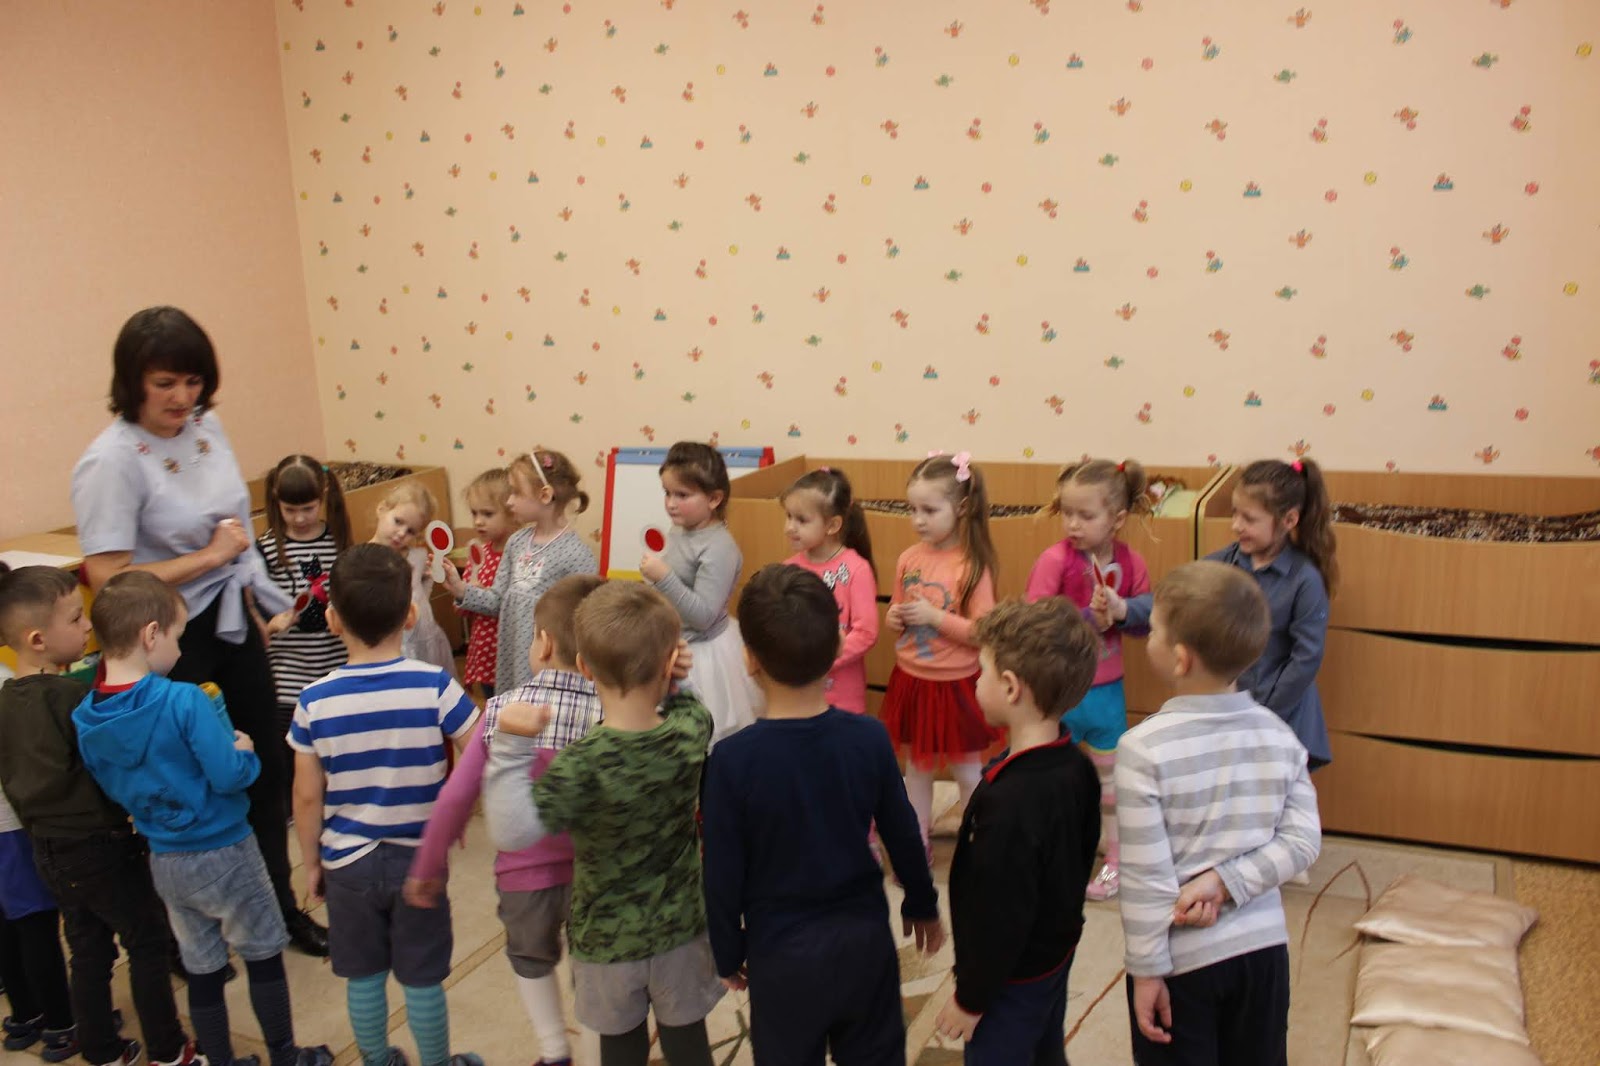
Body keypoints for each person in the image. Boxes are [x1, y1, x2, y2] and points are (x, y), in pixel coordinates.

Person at [69, 306, 326, 956]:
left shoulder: (206, 427)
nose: (182, 398)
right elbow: (107, 577)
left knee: (260, 765)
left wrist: (247, 598)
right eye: (165, 383)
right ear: (132, 382)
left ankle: (276, 908)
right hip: (157, 639)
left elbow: (235, 528)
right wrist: (210, 558)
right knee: (183, 778)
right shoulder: (111, 460)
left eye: (193, 381)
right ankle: (186, 934)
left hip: (227, 617)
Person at [72, 573, 332, 1066]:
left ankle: (221, 1059)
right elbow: (230, 776)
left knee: (203, 966)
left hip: (165, 860)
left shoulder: (87, 715)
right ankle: (285, 1054)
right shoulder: (184, 699)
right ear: (151, 634)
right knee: (262, 954)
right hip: (227, 849)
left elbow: (111, 786)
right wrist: (246, 753)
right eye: (178, 635)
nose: (180, 648)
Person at [702, 564, 944, 1065]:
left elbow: (721, 871)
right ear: (837, 648)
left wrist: (727, 950)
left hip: (781, 956)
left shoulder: (730, 761)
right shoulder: (868, 737)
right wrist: (922, 903)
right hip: (865, 945)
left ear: (749, 660)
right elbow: (903, 833)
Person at [487, 581, 724, 1066]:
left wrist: (510, 748)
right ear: (668, 664)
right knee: (689, 1048)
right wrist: (675, 678)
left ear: (584, 667)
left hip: (606, 943)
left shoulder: (580, 764)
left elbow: (511, 832)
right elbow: (689, 704)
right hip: (681, 930)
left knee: (619, 1051)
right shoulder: (690, 729)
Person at [1117, 561, 1321, 1065]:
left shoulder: (1141, 749)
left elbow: (1145, 877)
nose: (1147, 638)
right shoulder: (1280, 734)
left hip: (1182, 963)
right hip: (1264, 955)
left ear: (1180, 659)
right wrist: (1225, 882)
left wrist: (1146, 970)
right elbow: (1302, 841)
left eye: (1153, 630)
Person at [290, 545, 483, 1066]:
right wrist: (456, 812)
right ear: (411, 614)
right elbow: (479, 751)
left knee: (363, 975)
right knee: (422, 977)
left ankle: (377, 1059)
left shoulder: (314, 701)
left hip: (347, 863)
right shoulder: (435, 685)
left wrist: (311, 862)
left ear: (333, 619)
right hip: (419, 859)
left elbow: (306, 795)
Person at [407, 573, 607, 1066]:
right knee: (596, 969)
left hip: (525, 876)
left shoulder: (501, 712)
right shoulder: (612, 715)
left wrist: (429, 864)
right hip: (598, 875)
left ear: (544, 644)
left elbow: (456, 797)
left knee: (529, 958)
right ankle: (598, 1054)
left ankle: (553, 1049)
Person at [0, 564, 195, 1066]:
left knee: (88, 950)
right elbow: (111, 768)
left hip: (48, 851)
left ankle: (103, 1052)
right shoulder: (73, 699)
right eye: (75, 619)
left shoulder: (5, 703)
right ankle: (169, 1050)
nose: (87, 626)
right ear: (38, 639)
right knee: (147, 941)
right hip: (101, 846)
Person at [933, 599, 1102, 1063]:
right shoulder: (1077, 765)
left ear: (1010, 687)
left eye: (981, 672)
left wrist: (971, 998)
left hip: (1009, 981)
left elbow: (998, 916)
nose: (975, 681)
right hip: (1055, 953)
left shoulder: (1009, 804)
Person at [1024, 458, 1154, 901]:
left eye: (1086, 515)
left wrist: (1122, 611)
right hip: (1061, 691)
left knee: (1111, 786)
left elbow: (1147, 619)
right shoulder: (1054, 559)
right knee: (1049, 781)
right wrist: (1087, 617)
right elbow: (1036, 619)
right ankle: (1044, 856)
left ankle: (1116, 861)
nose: (1073, 524)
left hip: (1107, 695)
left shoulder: (1131, 562)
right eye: (1067, 513)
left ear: (1117, 519)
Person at [882, 451, 999, 853]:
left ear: (961, 508)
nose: (918, 519)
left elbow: (983, 632)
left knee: (967, 770)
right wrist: (895, 618)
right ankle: (917, 843)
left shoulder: (973, 565)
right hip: (912, 681)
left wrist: (935, 617)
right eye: (912, 509)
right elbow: (897, 608)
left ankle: (977, 843)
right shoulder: (908, 558)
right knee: (916, 770)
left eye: (929, 510)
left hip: (957, 686)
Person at [1205, 458, 1338, 769]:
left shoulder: (1305, 580)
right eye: (1235, 514)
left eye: (1249, 519)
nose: (1236, 525)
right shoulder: (1223, 563)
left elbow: (1305, 659)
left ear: (1288, 520)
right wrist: (1124, 608)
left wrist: (1262, 717)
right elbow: (1177, 597)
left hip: (1282, 720)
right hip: (1235, 714)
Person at [0, 566, 77, 1063]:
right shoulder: (8, 686)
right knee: (35, 922)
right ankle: (61, 1024)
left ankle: (24, 1014)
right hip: (11, 825)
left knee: (8, 921)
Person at [445, 450, 596, 693]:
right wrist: (461, 589)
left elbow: (587, 621)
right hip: (511, 660)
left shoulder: (576, 554)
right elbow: (497, 600)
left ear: (544, 495)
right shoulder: (516, 542)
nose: (509, 501)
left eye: (516, 492)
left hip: (551, 669)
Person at [641, 441, 759, 747]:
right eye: (667, 493)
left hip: (704, 656)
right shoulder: (681, 529)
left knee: (703, 739)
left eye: (682, 495)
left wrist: (663, 578)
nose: (670, 503)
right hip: (676, 645)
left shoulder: (720, 547)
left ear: (714, 499)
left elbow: (704, 616)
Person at [253, 454, 352, 813]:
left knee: (335, 756)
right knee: (291, 762)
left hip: (333, 671)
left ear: (323, 496)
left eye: (308, 509)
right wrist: (271, 624)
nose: (298, 518)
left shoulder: (338, 542)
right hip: (286, 678)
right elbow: (252, 614)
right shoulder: (265, 548)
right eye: (289, 510)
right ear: (275, 501)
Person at [779, 468, 879, 715]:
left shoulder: (856, 569)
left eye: (801, 520)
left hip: (843, 698)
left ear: (833, 525)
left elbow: (866, 632)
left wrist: (820, 661)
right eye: (788, 516)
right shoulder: (788, 568)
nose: (789, 527)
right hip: (798, 693)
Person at [367, 481, 457, 677]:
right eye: (398, 521)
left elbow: (420, 593)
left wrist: (428, 580)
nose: (401, 533)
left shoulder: (417, 557)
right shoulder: (363, 559)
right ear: (382, 509)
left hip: (425, 636)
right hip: (394, 645)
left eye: (411, 531)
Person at [455, 468, 516, 700]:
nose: (478, 521)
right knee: (492, 702)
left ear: (514, 513)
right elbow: (462, 610)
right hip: (485, 651)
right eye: (474, 513)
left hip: (509, 650)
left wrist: (483, 597)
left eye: (488, 514)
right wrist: (462, 591)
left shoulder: (521, 555)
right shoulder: (479, 553)